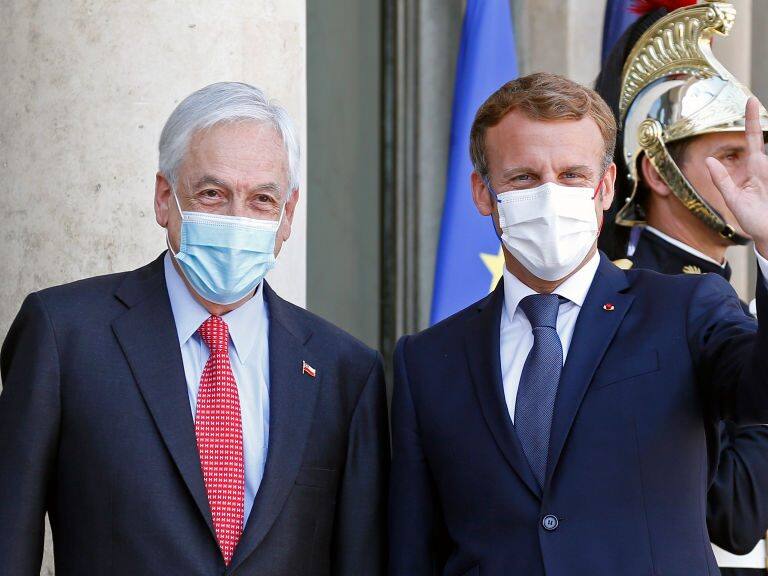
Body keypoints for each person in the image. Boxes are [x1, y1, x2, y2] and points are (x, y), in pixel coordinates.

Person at [0, 82, 389, 576]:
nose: (236, 218)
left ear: (287, 215)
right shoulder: (64, 336)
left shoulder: (346, 372)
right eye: (212, 193)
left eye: (262, 199)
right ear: (165, 198)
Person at [389, 71, 768, 575]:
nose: (550, 196)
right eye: (523, 177)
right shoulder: (427, 360)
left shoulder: (685, 308)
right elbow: (414, 548)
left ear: (606, 186)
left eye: (572, 175)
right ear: (484, 193)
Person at [594, 2, 768, 573]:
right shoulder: (639, 306)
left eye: (760, 153)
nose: (754, 175)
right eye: (729, 156)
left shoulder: (732, 292)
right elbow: (737, 513)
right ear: (657, 171)